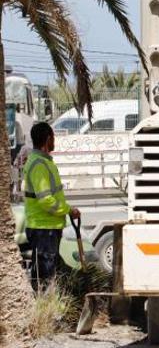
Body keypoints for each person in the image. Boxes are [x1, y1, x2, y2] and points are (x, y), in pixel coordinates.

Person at [23, 122, 79, 289]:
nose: (54, 140)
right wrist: (69, 210)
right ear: (48, 139)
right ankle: (44, 308)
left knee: (46, 273)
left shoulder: (42, 162)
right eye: (53, 137)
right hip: (43, 228)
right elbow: (46, 200)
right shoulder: (39, 164)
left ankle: (45, 306)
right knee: (45, 277)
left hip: (46, 227)